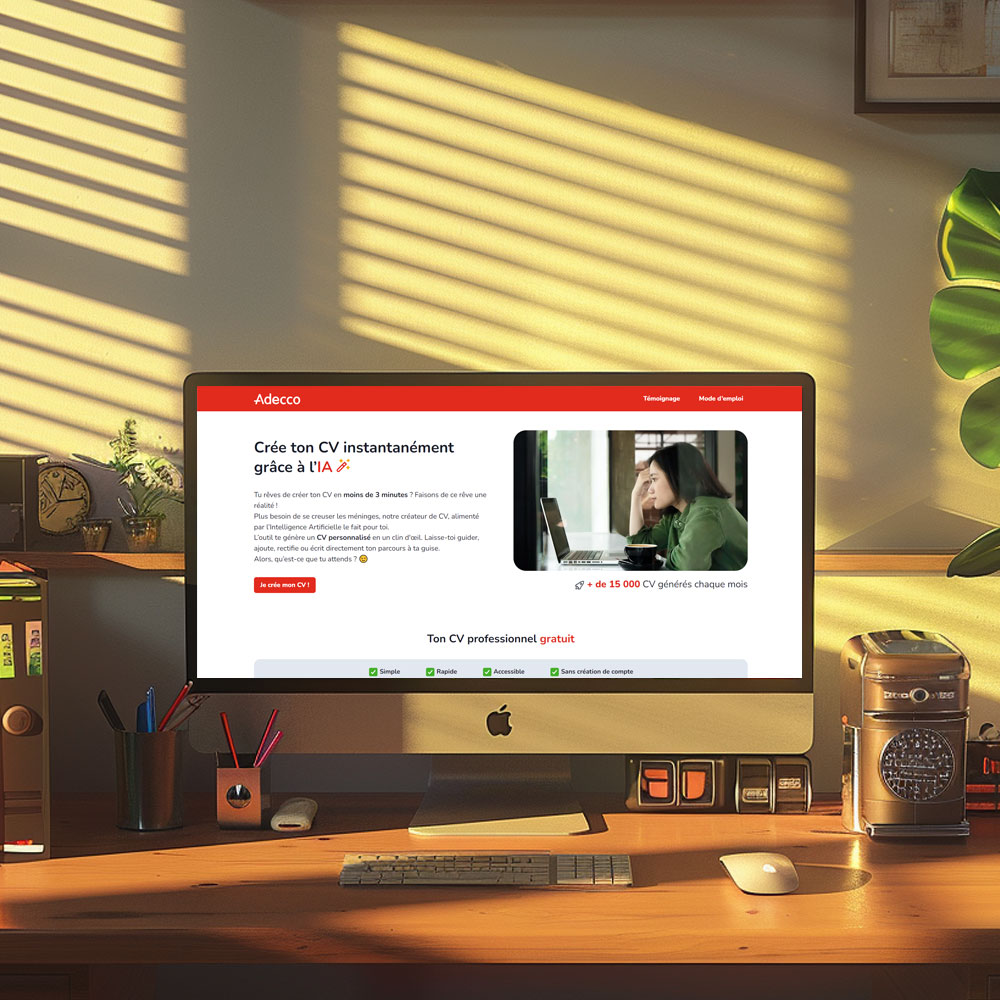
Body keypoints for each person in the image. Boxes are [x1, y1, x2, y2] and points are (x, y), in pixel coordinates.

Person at [627, 443, 747, 570]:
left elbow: (686, 566)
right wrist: (635, 495)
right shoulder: (678, 513)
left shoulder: (706, 513)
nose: (650, 489)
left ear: (679, 476)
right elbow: (640, 545)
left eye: (654, 479)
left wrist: (673, 554)